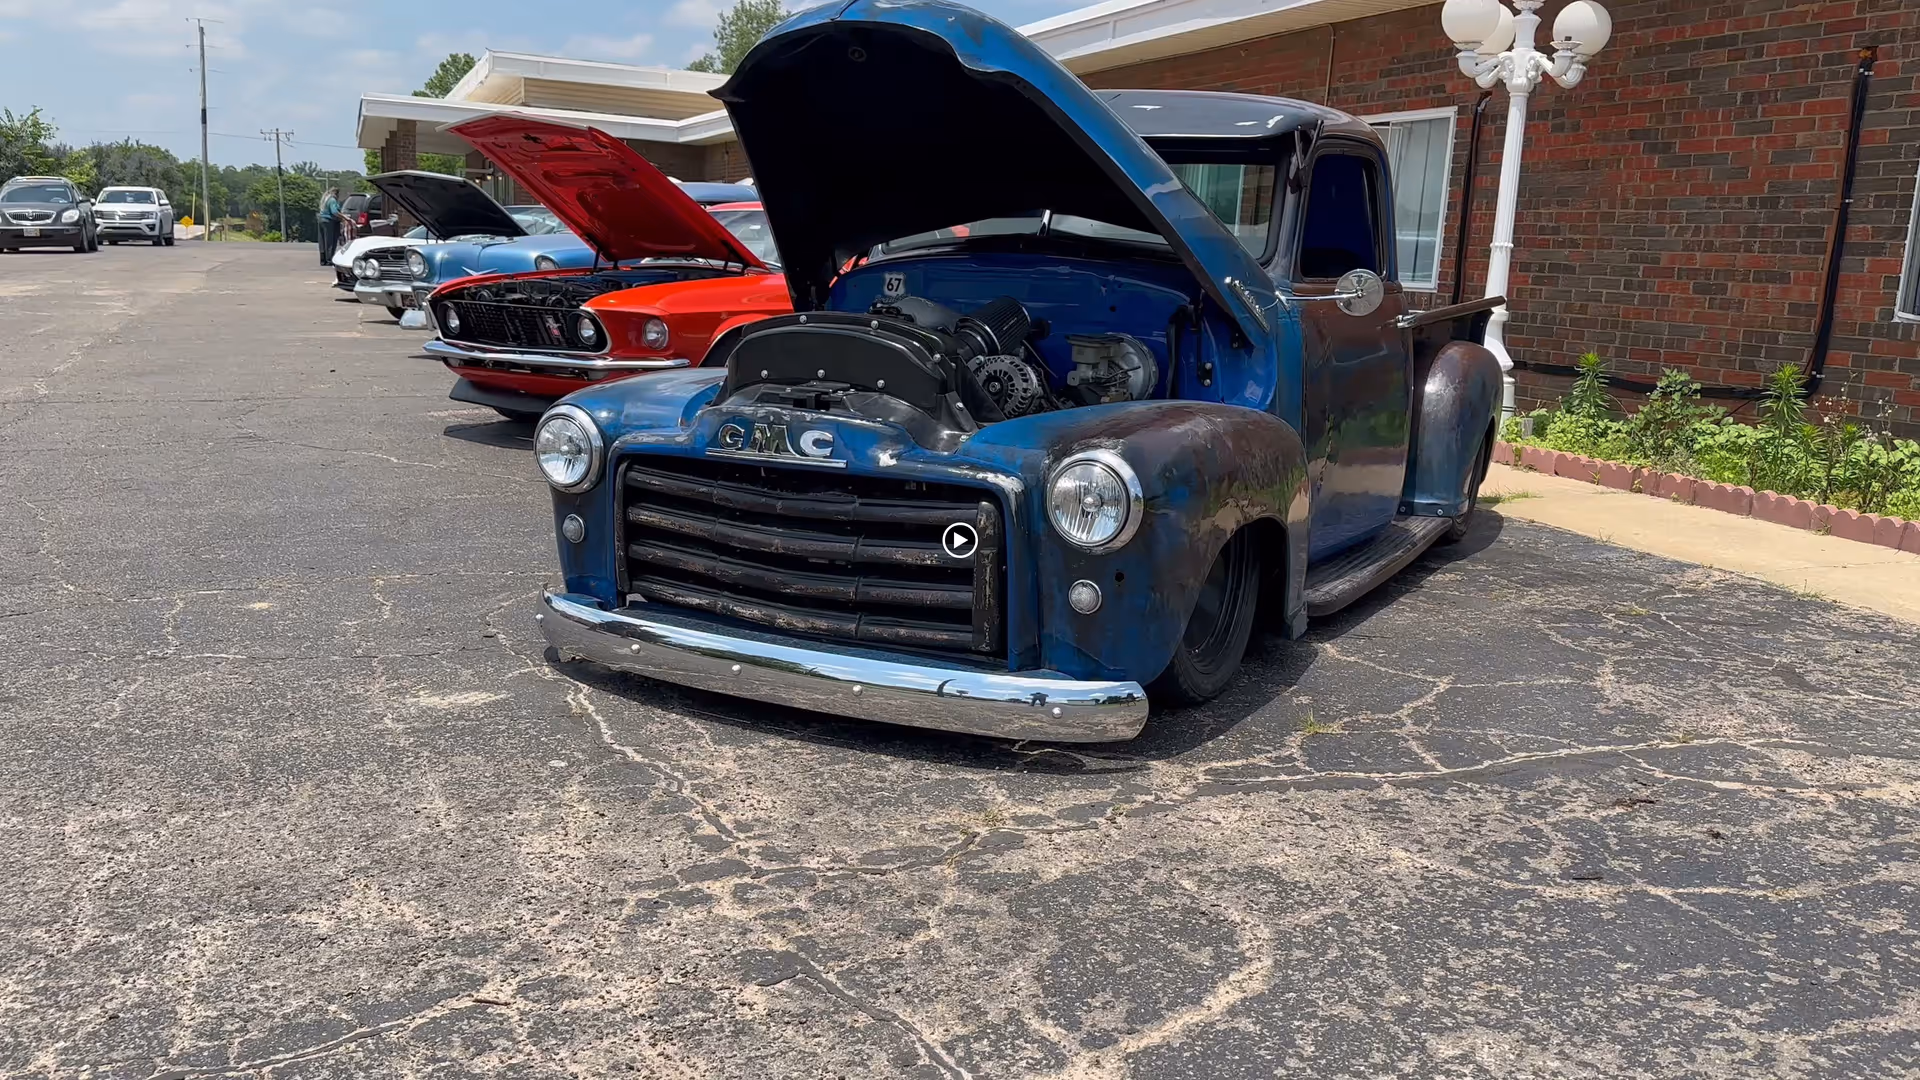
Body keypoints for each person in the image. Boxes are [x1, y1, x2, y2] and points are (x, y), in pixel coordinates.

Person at [318, 187, 342, 266]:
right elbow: (334, 211)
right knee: (330, 241)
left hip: (322, 220)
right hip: (329, 221)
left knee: (322, 241)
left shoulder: (325, 199)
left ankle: (323, 259)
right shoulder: (332, 200)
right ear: (336, 194)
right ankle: (329, 259)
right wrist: (344, 217)